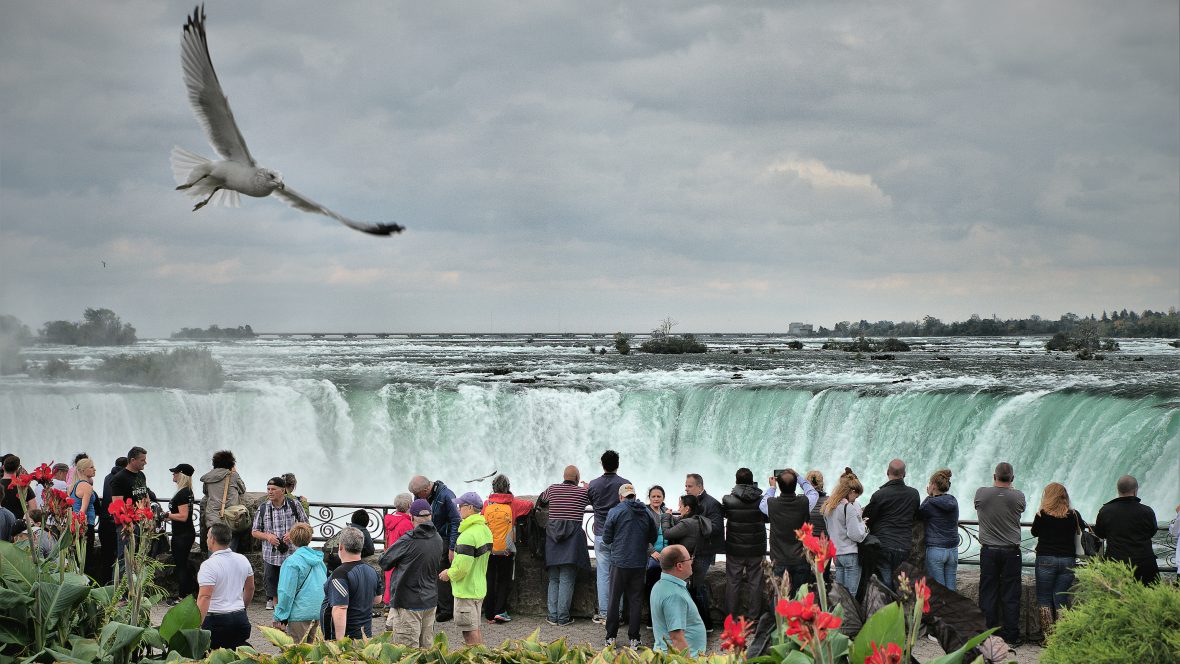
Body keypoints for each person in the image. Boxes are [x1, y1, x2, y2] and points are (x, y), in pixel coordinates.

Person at [380, 498, 446, 645]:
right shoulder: (438, 539)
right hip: (430, 600)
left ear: (411, 517)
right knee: (425, 651)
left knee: (408, 652)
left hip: (408, 602)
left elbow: (384, 562)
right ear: (430, 516)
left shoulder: (408, 540)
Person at [974, 461, 1026, 647]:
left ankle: (987, 635)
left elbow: (978, 506)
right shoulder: (1018, 495)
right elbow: (1020, 507)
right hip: (1011, 552)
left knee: (988, 592)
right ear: (1012, 479)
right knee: (1011, 594)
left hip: (988, 551)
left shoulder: (981, 493)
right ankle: (1011, 637)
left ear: (994, 477)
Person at [602, 483, 658, 648]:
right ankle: (634, 638)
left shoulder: (615, 511)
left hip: (619, 562)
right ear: (634, 495)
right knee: (636, 600)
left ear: (621, 497)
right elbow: (653, 536)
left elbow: (606, 538)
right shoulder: (646, 512)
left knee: (614, 599)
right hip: (639, 563)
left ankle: (610, 637)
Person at [1030, 482, 1084, 640]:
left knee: (1044, 598)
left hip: (1045, 559)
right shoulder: (1074, 514)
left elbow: (1034, 532)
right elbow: (1082, 531)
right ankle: (1062, 636)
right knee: (1060, 597)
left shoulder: (1041, 515)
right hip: (1068, 560)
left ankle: (1048, 638)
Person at [538, 465, 590, 626]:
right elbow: (595, 499)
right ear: (576, 478)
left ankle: (552, 616)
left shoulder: (552, 489)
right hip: (572, 541)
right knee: (567, 579)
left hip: (553, 539)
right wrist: (588, 488)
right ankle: (563, 618)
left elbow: (541, 500)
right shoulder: (583, 492)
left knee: (553, 579)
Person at [440, 492, 493, 645]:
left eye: (461, 506)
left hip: (466, 590)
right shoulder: (485, 530)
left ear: (470, 508)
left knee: (469, 633)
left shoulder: (467, 536)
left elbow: (462, 568)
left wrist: (448, 573)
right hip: (478, 587)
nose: (458, 509)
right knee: (475, 628)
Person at [481, 474, 534, 623]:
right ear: (508, 487)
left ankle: (489, 613)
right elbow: (529, 505)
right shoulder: (513, 504)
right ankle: (500, 611)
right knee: (504, 580)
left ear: (493, 488)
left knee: (489, 579)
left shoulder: (487, 504)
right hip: (506, 549)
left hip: (489, 549)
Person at [251, 476, 309, 612]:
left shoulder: (295, 505)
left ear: (283, 490)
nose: (270, 492)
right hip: (271, 555)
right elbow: (254, 531)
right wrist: (268, 536)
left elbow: (306, 524)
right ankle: (277, 610)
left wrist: (293, 533)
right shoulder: (263, 508)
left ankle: (291, 609)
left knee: (292, 582)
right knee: (273, 584)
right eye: (268, 489)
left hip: (292, 553)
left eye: (273, 489)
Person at [409, 475, 461, 622]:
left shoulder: (446, 495)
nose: (416, 498)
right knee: (431, 572)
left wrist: (452, 547)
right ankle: (436, 605)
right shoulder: (424, 495)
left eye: (418, 495)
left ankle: (446, 609)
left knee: (441, 573)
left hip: (443, 539)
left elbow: (456, 521)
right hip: (430, 538)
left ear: (426, 489)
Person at [761, 468, 820, 597]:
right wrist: (799, 477)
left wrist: (772, 488)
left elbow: (762, 504)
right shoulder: (804, 503)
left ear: (779, 486)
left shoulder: (771, 504)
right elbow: (813, 493)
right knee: (801, 596)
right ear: (795, 486)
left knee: (779, 596)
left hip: (779, 558)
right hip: (800, 559)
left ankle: (778, 618)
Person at [587, 450, 630, 625]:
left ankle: (605, 613)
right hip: (620, 536)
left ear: (601, 464)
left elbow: (590, 499)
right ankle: (618, 614)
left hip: (600, 534)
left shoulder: (593, 484)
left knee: (603, 574)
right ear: (618, 464)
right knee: (617, 574)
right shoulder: (625, 484)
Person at [863, 459, 920, 591]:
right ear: (904, 474)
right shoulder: (914, 494)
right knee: (900, 582)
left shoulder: (879, 495)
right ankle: (900, 608)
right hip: (904, 545)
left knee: (884, 581)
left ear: (887, 472)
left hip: (883, 545)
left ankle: (887, 608)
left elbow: (867, 518)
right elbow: (916, 514)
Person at [197, 523, 255, 650]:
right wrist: (242, 608)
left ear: (212, 539)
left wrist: (197, 624)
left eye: (207, 537)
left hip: (217, 621)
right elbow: (250, 588)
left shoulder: (209, 565)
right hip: (240, 618)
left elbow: (205, 596)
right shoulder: (243, 559)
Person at [1094, 475, 1159, 585]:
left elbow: (1100, 533)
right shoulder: (1147, 511)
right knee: (1147, 599)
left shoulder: (1105, 511)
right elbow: (1152, 531)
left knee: (1116, 598)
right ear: (1135, 490)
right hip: (1144, 564)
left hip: (1115, 563)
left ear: (1118, 490)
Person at [663, 494, 713, 631]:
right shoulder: (700, 519)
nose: (678, 508)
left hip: (691, 561)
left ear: (687, 508)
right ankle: (706, 624)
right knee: (698, 590)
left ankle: (700, 626)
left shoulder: (688, 524)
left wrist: (666, 517)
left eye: (680, 506)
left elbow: (667, 533)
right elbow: (681, 522)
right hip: (702, 558)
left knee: (694, 592)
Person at [321, 527, 382, 640]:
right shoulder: (372, 570)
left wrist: (340, 643)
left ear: (341, 547)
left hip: (348, 639)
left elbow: (340, 608)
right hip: (365, 635)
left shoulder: (340, 574)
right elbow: (377, 599)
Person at [723, 467, 767, 620]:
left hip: (735, 549)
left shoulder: (727, 500)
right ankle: (754, 619)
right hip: (756, 549)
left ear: (736, 481)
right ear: (752, 481)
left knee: (733, 582)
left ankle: (730, 619)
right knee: (755, 583)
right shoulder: (762, 500)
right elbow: (767, 518)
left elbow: (726, 514)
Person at [273, 523, 327, 644]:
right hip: (318, 612)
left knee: (297, 653)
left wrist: (280, 616)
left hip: (299, 614)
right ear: (310, 538)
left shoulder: (291, 562)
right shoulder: (319, 561)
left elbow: (286, 592)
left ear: (291, 539)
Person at [649, 544, 707, 656]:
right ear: (679, 566)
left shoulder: (660, 585)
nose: (691, 562)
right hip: (681, 658)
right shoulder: (674, 595)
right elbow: (676, 638)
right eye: (689, 558)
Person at [684, 473, 723, 630]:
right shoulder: (691, 502)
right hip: (693, 551)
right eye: (685, 486)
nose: (686, 489)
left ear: (700, 487)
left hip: (704, 551)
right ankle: (696, 623)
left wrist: (694, 526)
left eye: (690, 486)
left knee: (698, 586)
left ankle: (706, 624)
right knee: (692, 586)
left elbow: (717, 528)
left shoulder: (711, 503)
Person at [822, 469, 868, 597]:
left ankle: (837, 616)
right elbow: (855, 535)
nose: (855, 499)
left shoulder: (828, 507)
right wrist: (863, 527)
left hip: (837, 554)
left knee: (840, 594)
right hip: (850, 553)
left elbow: (831, 529)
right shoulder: (849, 508)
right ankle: (848, 617)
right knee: (850, 595)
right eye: (856, 496)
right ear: (852, 492)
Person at [919, 468, 958, 590]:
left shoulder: (929, 503)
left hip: (936, 551)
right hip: (953, 550)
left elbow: (918, 515)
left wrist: (929, 496)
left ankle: (943, 610)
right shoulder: (953, 501)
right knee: (951, 591)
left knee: (939, 591)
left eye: (930, 483)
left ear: (934, 485)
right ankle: (955, 609)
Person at [200, 450, 247, 553]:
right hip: (231, 518)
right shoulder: (233, 476)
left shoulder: (208, 478)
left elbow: (205, 492)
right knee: (229, 551)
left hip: (213, 519)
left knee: (213, 549)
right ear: (231, 463)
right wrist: (234, 471)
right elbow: (242, 489)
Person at [166, 463, 198, 605]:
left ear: (182, 475)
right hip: (185, 533)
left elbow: (183, 516)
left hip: (182, 534)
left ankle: (183, 596)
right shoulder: (187, 491)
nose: (173, 475)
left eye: (175, 473)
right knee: (183, 564)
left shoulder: (183, 493)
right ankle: (189, 593)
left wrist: (167, 515)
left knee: (181, 565)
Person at [95, 456, 127, 584]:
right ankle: (118, 585)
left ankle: (104, 584)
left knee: (106, 556)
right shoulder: (124, 478)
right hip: (116, 522)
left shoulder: (107, 477)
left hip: (104, 522)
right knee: (120, 556)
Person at [382, 492, 415, 607]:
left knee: (390, 583)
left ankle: (388, 607)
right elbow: (411, 545)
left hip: (390, 557)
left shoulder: (390, 520)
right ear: (410, 505)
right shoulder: (406, 524)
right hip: (400, 560)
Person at [644, 485, 675, 602]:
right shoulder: (646, 512)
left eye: (659, 496)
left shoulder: (665, 512)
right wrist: (652, 551)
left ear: (663, 498)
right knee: (653, 585)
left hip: (666, 554)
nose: (656, 499)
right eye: (653, 496)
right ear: (649, 498)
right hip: (653, 554)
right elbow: (642, 535)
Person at [68, 458, 98, 560]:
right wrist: (81, 527)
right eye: (91, 467)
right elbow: (82, 510)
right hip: (85, 524)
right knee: (86, 556)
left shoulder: (74, 485)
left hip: (76, 524)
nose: (95, 469)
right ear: (83, 470)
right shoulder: (86, 486)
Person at [1, 455, 35, 519]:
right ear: (17, 469)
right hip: (20, 525)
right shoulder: (24, 486)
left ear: (3, 467)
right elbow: (33, 508)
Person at [806, 470, 828, 537]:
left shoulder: (800, 501)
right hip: (826, 544)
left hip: (807, 545)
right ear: (821, 483)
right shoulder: (830, 501)